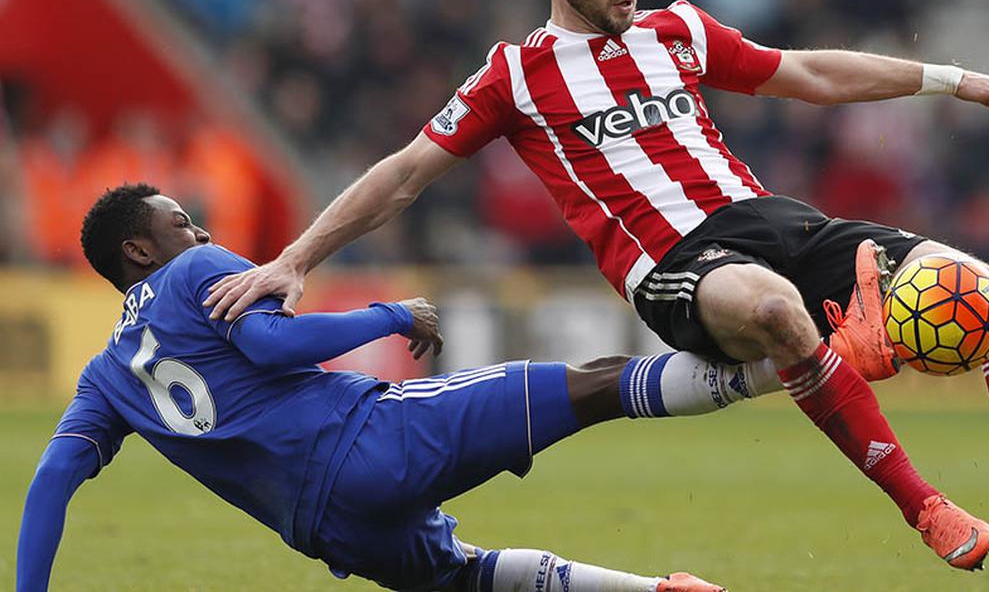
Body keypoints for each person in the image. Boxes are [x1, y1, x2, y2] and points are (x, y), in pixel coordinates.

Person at [203, 0, 989, 589]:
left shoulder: (677, 30)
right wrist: (295, 258)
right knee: (773, 311)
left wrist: (950, 78)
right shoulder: (515, 75)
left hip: (776, 222)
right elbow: (403, 173)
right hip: (671, 267)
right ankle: (920, 501)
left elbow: (805, 71)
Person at [16, 184, 730, 592]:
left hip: (328, 529)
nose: (198, 230)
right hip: (367, 443)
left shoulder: (104, 378)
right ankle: (778, 367)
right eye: (181, 222)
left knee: (466, 577)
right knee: (592, 385)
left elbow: (51, 479)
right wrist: (389, 314)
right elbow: (269, 345)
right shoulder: (195, 270)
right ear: (139, 250)